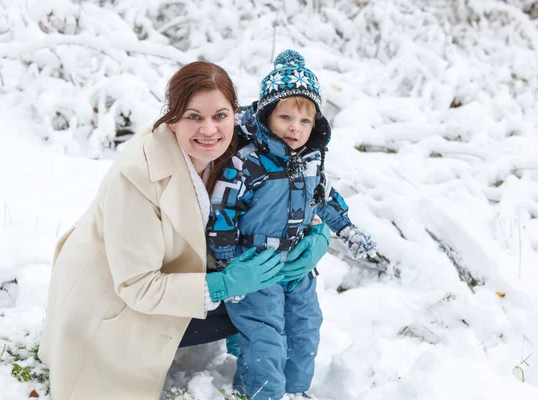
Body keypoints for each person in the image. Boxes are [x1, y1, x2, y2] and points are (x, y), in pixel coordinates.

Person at [38, 60, 333, 400]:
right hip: (113, 302)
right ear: (172, 117)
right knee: (254, 302)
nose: (209, 129)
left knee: (273, 296)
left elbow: (290, 192)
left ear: (236, 115)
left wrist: (317, 233)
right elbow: (137, 286)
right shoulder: (136, 178)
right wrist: (226, 283)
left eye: (219, 116)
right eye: (194, 116)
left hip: (171, 279)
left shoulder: (242, 149)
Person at [206, 50, 378, 400]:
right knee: (265, 336)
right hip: (255, 265)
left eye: (304, 122)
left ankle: (295, 389)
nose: (294, 128)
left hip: (297, 266)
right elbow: (223, 207)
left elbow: (326, 199)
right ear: (268, 116)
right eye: (285, 117)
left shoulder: (312, 162)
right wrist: (228, 259)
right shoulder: (248, 162)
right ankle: (260, 393)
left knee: (306, 329)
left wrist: (348, 231)